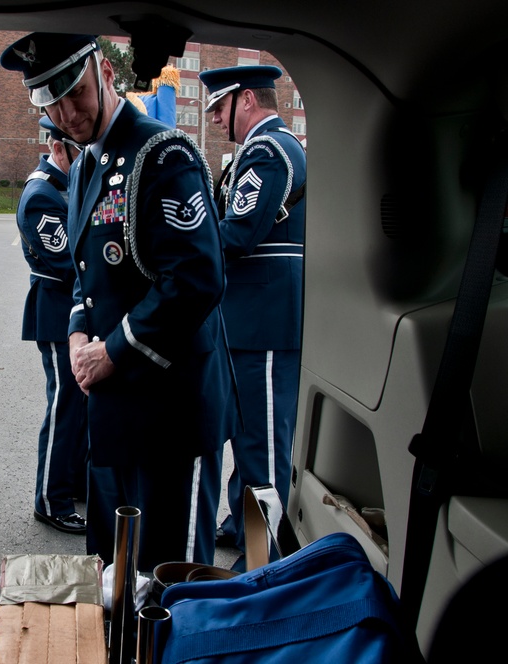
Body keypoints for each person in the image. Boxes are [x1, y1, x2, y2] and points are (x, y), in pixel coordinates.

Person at [1, 34, 240, 571]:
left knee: (166, 578)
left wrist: (112, 350)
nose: (66, 113)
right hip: (113, 402)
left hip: (169, 404)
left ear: (105, 72)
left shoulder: (163, 154)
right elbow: (87, 275)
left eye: (75, 92)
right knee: (113, 570)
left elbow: (198, 278)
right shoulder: (86, 165)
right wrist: (80, 334)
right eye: (50, 103)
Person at [198, 65, 306, 558]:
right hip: (253, 317)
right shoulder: (267, 149)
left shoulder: (268, 150)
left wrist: (183, 249)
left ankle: (263, 558)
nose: (218, 120)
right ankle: (245, 530)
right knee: (247, 437)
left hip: (264, 319)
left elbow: (237, 231)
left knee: (262, 445)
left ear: (246, 101)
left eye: (220, 108)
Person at [17, 115, 88, 535]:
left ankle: (71, 485)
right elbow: (68, 262)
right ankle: (50, 499)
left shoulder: (61, 185)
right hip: (58, 310)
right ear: (58, 148)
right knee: (64, 408)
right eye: (77, 152)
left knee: (78, 407)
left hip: (72, 309)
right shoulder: (42, 194)